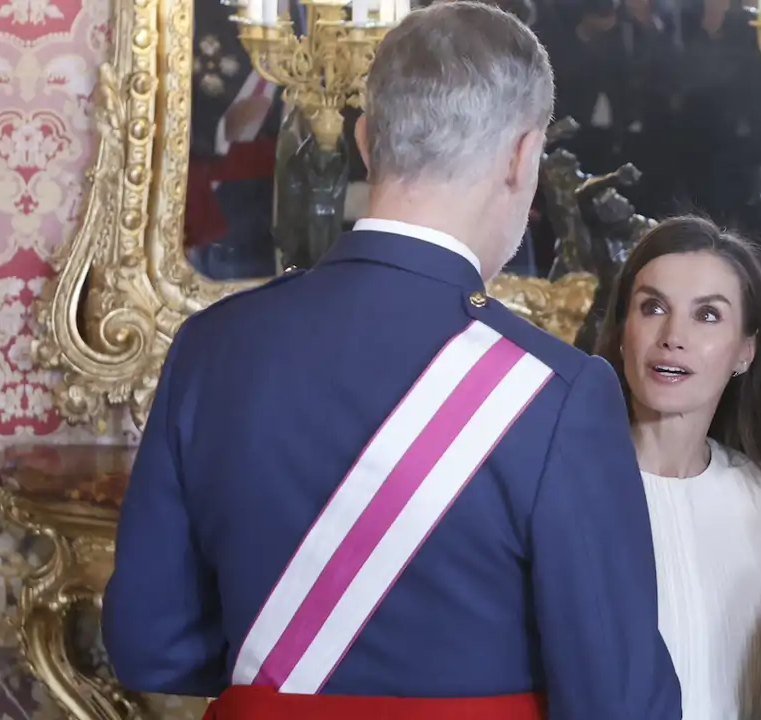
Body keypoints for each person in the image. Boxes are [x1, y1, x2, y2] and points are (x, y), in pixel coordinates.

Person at [101, 4, 683, 720]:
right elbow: (618, 703)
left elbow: (149, 643)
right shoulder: (557, 394)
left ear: (366, 141)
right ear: (522, 157)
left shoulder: (210, 347)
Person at [593, 216, 761, 719]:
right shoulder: (566, 490)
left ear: (746, 350)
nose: (673, 336)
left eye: (707, 315)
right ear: (623, 330)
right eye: (652, 307)